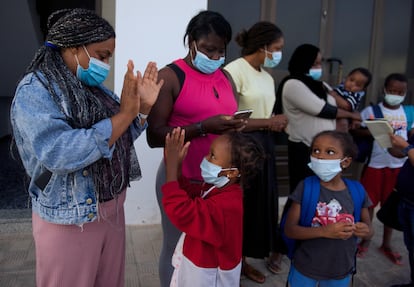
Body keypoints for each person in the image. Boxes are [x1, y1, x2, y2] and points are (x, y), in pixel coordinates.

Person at [10, 8, 163, 287]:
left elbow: (119, 136)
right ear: (72, 47)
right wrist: (125, 114)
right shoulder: (35, 91)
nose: (105, 64)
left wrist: (141, 111)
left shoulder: (95, 89)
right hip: (71, 219)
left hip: (111, 210)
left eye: (109, 57)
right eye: (102, 55)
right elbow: (60, 152)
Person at [146, 11, 246, 287]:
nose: (214, 57)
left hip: (218, 181)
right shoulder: (171, 76)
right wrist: (203, 127)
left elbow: (228, 116)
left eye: (220, 51)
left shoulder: (225, 77)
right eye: (207, 49)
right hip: (181, 176)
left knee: (207, 250)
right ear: (192, 42)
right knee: (176, 247)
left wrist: (234, 128)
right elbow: (154, 136)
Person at [224, 21, 288, 283]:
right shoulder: (233, 71)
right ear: (262, 46)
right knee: (241, 207)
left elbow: (263, 112)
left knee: (259, 208)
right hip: (242, 147)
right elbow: (230, 118)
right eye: (277, 48)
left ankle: (244, 260)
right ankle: (233, 263)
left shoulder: (266, 76)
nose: (279, 53)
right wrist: (268, 122)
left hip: (265, 146)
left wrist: (273, 121)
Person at [161, 127, 265, 287]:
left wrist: (171, 169)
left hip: (208, 278)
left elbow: (182, 211)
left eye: (213, 156)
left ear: (231, 173)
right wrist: (178, 171)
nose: (206, 158)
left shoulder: (227, 205)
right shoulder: (218, 188)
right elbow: (193, 196)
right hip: (196, 268)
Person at [284, 130, 373, 287]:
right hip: (305, 268)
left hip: (341, 270)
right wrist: (324, 231)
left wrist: (365, 231)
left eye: (329, 152)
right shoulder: (305, 187)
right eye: (316, 150)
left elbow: (369, 229)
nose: (320, 156)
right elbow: (290, 230)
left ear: (345, 162)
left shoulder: (357, 191)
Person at [274, 43, 362, 194]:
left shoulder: (322, 85)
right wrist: (352, 115)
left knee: (322, 193)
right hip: (303, 148)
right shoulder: (293, 84)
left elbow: (340, 106)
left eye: (320, 63)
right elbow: (322, 109)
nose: (318, 67)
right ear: (303, 62)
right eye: (314, 63)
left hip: (327, 148)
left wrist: (351, 117)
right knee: (303, 193)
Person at [357, 73, 409, 264]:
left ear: (405, 93)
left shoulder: (409, 112)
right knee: (368, 204)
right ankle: (366, 238)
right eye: (392, 90)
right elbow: (357, 128)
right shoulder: (371, 111)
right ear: (384, 90)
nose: (396, 94)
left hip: (398, 167)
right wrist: (372, 130)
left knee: (391, 206)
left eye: (400, 92)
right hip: (375, 164)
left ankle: (386, 243)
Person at [389, 133, 414, 287]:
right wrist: (388, 142)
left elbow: (407, 149)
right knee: (411, 247)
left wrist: (406, 147)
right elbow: (402, 153)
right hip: (406, 199)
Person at [327, 67, 372, 132]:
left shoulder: (355, 95)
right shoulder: (340, 88)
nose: (352, 84)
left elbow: (347, 106)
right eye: (351, 80)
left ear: (362, 89)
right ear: (346, 77)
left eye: (357, 85)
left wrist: (334, 96)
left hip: (342, 118)